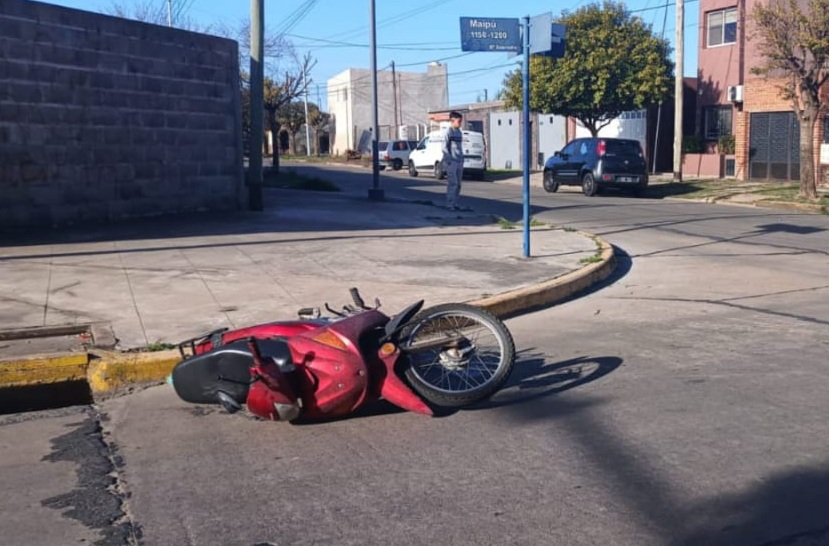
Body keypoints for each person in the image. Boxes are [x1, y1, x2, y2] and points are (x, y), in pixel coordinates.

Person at [441, 111, 466, 211]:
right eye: (459, 121)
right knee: (453, 183)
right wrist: (449, 159)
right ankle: (449, 204)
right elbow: (444, 147)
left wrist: (462, 158)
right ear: (452, 120)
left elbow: (459, 147)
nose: (460, 123)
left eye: (461, 121)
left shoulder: (459, 132)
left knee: (458, 184)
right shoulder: (448, 132)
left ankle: (455, 203)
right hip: (451, 161)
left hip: (459, 161)